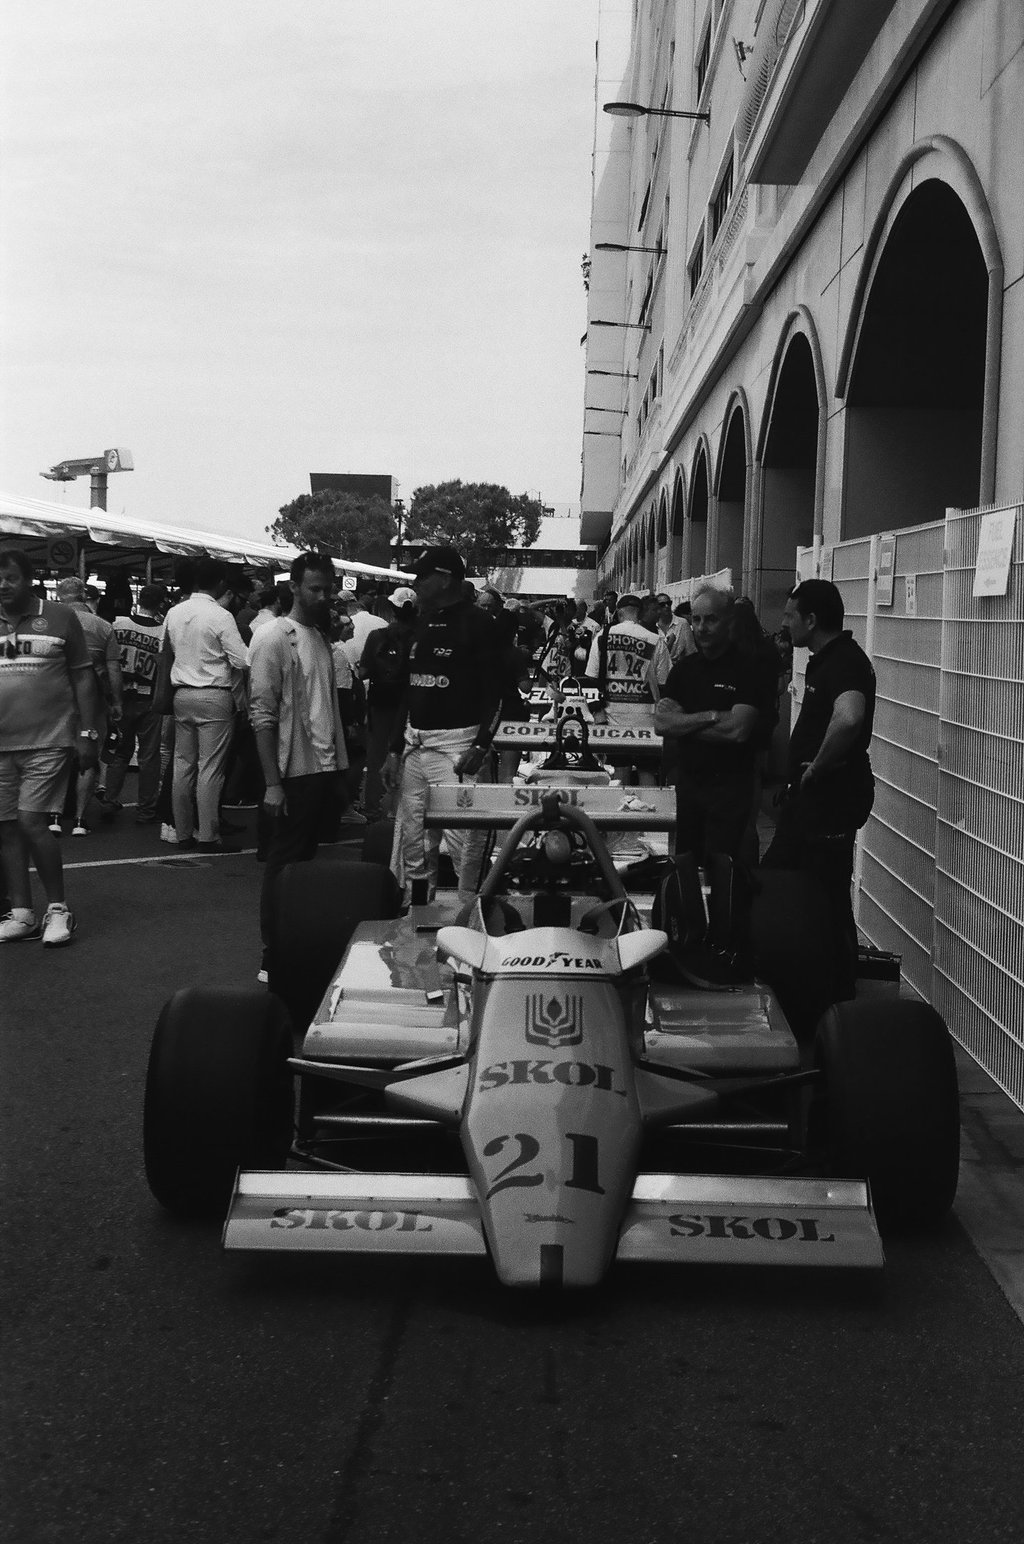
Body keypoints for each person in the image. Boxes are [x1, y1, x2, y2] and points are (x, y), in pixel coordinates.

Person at [762, 579, 876, 1000]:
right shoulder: (824, 660)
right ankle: (813, 980)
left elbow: (849, 718)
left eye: (790, 615)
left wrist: (817, 768)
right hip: (810, 801)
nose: (784, 623)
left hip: (830, 800)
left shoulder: (845, 661)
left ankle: (837, 991)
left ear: (811, 619)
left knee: (824, 893)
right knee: (796, 884)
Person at [382, 546, 506, 903]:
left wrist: (481, 746)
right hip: (415, 747)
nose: (416, 582)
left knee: (466, 844)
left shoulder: (479, 624)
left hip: (459, 749)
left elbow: (496, 695)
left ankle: (470, 913)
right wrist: (394, 749)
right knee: (415, 842)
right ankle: (418, 909)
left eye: (422, 576)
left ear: (445, 578)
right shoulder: (420, 624)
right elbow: (408, 692)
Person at [250, 552, 351, 979]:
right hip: (294, 772)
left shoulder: (320, 637)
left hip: (322, 768)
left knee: (303, 863)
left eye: (328, 589)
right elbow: (261, 714)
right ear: (292, 587)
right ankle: (273, 953)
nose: (323, 596)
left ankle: (293, 947)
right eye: (314, 588)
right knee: (284, 864)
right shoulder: (274, 636)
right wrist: (272, 783)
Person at [0, 551, 100, 945]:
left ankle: (58, 909)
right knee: (7, 828)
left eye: (10, 577)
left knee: (30, 822)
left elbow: (84, 677)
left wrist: (88, 733)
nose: (2, 585)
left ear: (29, 580)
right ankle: (22, 913)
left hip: (49, 740)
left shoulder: (60, 617)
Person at [654, 585, 764, 863]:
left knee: (724, 874)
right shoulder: (684, 670)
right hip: (689, 789)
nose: (702, 627)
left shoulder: (748, 668)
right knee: (687, 869)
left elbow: (738, 730)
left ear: (729, 621)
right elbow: (662, 724)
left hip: (731, 792)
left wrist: (685, 723)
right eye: (697, 619)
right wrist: (712, 716)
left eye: (711, 619)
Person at [164, 556, 248, 852]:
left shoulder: (174, 612)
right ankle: (208, 835)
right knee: (210, 768)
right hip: (214, 694)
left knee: (182, 765)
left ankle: (183, 832)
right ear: (221, 583)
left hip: (181, 693)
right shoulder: (221, 616)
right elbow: (242, 660)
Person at [52, 577, 123, 835]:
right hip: (92, 701)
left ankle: (54, 816)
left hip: (56, 699)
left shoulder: (51, 623)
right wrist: (116, 702)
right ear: (84, 595)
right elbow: (113, 669)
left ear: (59, 596)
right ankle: (80, 820)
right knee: (88, 756)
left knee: (58, 756)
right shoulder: (103, 626)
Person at [103, 584, 166, 824]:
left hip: (120, 695)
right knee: (148, 756)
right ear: (160, 604)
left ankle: (109, 799)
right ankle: (146, 809)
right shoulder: (162, 632)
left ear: (139, 600)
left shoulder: (118, 625)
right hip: (149, 698)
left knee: (119, 750)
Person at [361, 587, 417, 817]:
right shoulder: (420, 637)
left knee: (377, 753)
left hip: (381, 701)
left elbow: (364, 671)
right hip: (411, 703)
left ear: (392, 608)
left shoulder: (377, 636)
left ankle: (373, 805)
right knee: (409, 753)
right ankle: (401, 806)